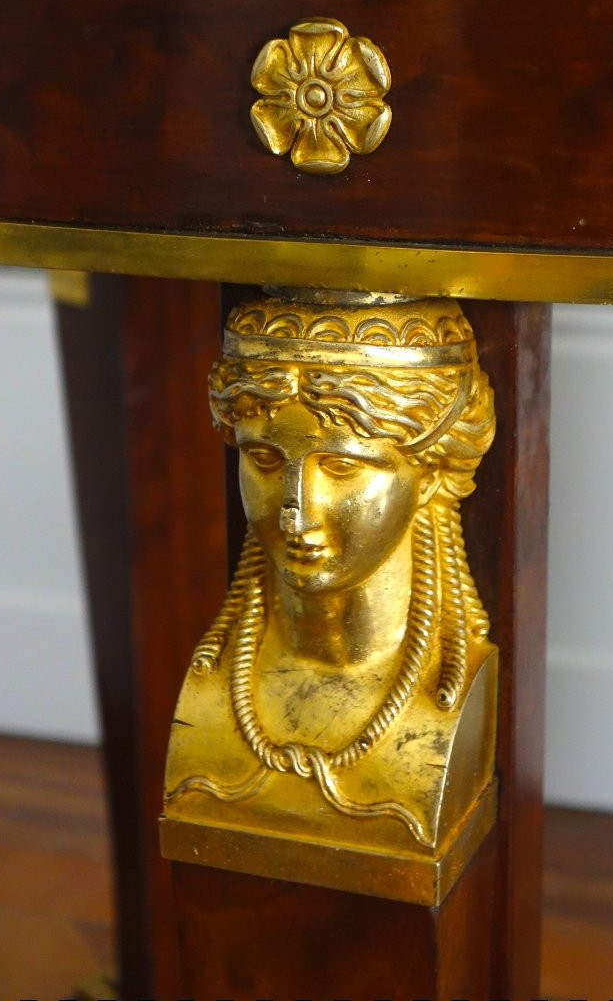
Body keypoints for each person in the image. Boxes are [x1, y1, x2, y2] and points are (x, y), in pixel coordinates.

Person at [164, 290, 497, 858]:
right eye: (265, 461)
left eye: (342, 467)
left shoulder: (446, 691)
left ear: (432, 473)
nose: (295, 514)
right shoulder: (215, 676)